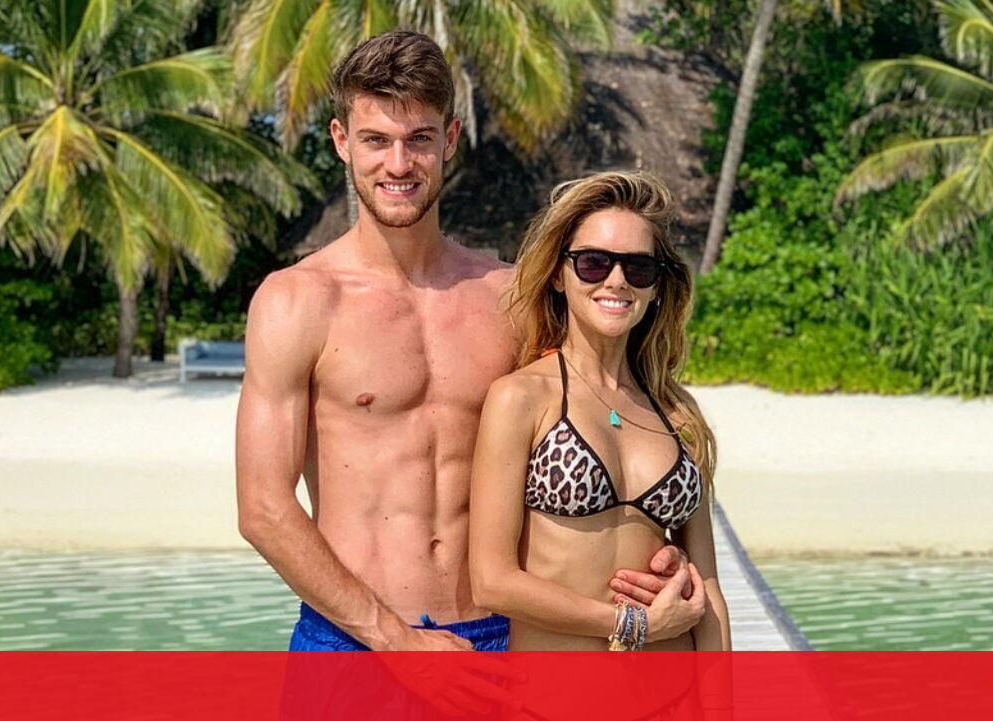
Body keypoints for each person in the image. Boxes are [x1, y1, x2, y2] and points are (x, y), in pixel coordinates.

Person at [235, 29, 690, 679]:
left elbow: (606, 423)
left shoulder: (512, 298)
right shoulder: (296, 302)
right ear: (340, 140)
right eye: (376, 140)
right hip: (354, 640)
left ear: (449, 139)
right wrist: (395, 640)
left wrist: (657, 545)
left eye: (419, 138)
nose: (399, 164)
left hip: (504, 637)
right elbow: (264, 509)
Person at [468, 171, 731, 657]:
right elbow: (492, 581)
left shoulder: (677, 413)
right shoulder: (522, 399)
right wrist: (632, 624)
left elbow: (707, 589)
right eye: (593, 263)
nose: (616, 280)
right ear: (558, 275)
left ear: (656, 286)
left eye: (639, 268)